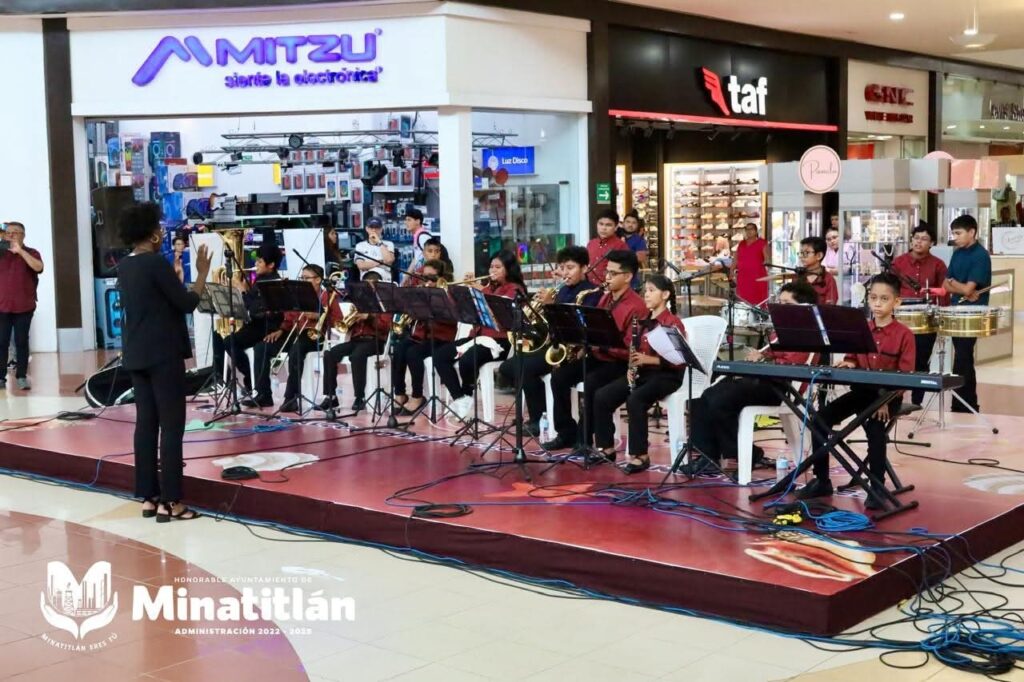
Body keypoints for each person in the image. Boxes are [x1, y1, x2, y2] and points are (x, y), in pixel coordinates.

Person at [115, 203, 212, 521]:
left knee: (146, 426)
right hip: (163, 355)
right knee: (172, 428)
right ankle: (173, 502)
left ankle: (148, 496)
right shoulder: (154, 263)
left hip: (137, 354)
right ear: (154, 234)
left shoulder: (125, 266)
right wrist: (200, 274)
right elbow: (186, 303)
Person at [797, 273, 915, 508]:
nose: (878, 303)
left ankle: (877, 486)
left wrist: (885, 401)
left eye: (884, 299)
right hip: (861, 392)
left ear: (897, 302)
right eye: (873, 298)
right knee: (820, 419)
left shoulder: (905, 335)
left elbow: (906, 377)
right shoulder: (860, 329)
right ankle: (821, 480)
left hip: (886, 396)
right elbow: (852, 358)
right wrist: (849, 362)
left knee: (875, 428)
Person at [687, 281, 818, 475]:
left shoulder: (807, 332)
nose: (780, 308)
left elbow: (792, 364)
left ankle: (742, 453)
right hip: (764, 381)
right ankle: (707, 456)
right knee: (703, 397)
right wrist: (759, 356)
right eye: (779, 303)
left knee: (721, 399)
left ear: (804, 308)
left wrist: (765, 361)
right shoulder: (780, 331)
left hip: (782, 388)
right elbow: (770, 353)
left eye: (787, 304)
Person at [542, 249, 647, 455]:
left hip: (619, 363)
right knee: (559, 377)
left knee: (592, 383)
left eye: (612, 274)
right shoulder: (605, 298)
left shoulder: (636, 306)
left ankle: (584, 439)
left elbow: (630, 349)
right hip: (599, 355)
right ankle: (566, 432)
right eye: (607, 272)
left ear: (627, 277)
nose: (607, 277)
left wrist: (600, 345)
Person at [497, 246, 602, 435]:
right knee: (509, 367)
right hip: (553, 345)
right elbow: (548, 326)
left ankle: (541, 419)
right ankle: (542, 413)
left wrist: (551, 306)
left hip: (574, 349)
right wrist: (537, 311)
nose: (565, 273)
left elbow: (582, 326)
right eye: (562, 268)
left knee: (527, 369)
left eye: (570, 268)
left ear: (585, 268)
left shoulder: (592, 293)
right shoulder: (560, 290)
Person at [592, 275, 687, 473]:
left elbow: (679, 361)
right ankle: (607, 447)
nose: (647, 294)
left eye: (652, 290)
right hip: (644, 373)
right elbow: (630, 349)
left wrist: (648, 360)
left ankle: (640, 455)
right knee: (602, 396)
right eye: (646, 290)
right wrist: (630, 367)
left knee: (636, 400)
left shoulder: (672, 322)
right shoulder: (642, 322)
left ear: (666, 294)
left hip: (667, 375)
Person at [432, 250, 526, 419]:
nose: (492, 270)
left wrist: (480, 291)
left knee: (468, 360)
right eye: (491, 266)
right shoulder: (488, 287)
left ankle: (467, 393)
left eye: (498, 267)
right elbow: (464, 310)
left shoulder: (515, 289)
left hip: (500, 341)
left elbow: (500, 310)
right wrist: (464, 292)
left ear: (509, 269)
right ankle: (460, 398)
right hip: (477, 337)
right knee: (440, 356)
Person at [212, 243, 283, 403]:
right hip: (256, 325)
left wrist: (243, 291)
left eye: (259, 262)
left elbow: (256, 309)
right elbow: (251, 305)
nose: (255, 265)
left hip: (266, 326)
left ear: (271, 265)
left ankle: (252, 383)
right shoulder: (261, 280)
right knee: (226, 340)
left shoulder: (272, 283)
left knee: (231, 342)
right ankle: (250, 379)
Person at [391, 259, 458, 415]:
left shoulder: (448, 294)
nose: (427, 281)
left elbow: (452, 318)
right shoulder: (421, 292)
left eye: (432, 278)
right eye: (424, 277)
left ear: (441, 278)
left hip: (441, 337)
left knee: (413, 353)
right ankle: (400, 393)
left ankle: (417, 396)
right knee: (400, 349)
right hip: (422, 335)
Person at [891, 223, 947, 406]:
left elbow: (944, 293)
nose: (919, 242)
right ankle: (894, 399)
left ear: (931, 243)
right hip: (901, 318)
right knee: (896, 359)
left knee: (921, 361)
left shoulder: (938, 265)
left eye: (924, 239)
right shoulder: (898, 262)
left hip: (925, 319)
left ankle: (917, 402)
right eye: (916, 238)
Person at [318, 271, 391, 412]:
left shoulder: (384, 304)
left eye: (369, 286)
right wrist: (351, 320)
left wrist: (369, 317)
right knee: (329, 354)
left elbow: (385, 327)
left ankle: (360, 397)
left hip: (375, 341)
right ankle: (331, 396)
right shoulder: (358, 302)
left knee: (357, 356)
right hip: (356, 339)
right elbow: (346, 328)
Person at [943, 214, 992, 413]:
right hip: (956, 310)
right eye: (953, 233)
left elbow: (968, 289)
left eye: (958, 233)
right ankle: (963, 402)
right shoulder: (957, 252)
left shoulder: (980, 255)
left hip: (972, 314)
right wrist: (958, 286)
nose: (955, 237)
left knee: (963, 357)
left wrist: (956, 285)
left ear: (972, 232)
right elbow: (946, 284)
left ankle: (967, 403)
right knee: (961, 357)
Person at [0, 221, 44, 391]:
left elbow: (39, 267)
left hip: (24, 307)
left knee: (21, 342)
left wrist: (20, 252)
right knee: (1, 343)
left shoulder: (32, 252)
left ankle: (21, 376)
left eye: (15, 232)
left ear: (23, 235)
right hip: (2, 307)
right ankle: (0, 377)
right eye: (8, 232)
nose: (11, 235)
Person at [586, 209, 627, 285]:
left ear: (616, 227)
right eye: (601, 224)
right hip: (589, 288)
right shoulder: (591, 244)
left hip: (608, 289)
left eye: (608, 225)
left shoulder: (621, 246)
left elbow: (624, 272)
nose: (603, 228)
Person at [733, 223, 768, 306]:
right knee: (743, 302)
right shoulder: (741, 244)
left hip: (757, 277)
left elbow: (767, 259)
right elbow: (736, 259)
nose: (749, 231)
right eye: (747, 229)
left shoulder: (762, 243)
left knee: (758, 302)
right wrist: (731, 271)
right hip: (743, 277)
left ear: (756, 231)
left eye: (751, 229)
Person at [797, 236, 838, 305]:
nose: (801, 256)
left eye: (806, 253)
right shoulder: (798, 277)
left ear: (819, 255)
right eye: (801, 253)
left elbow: (830, 307)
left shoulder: (829, 279)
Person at [354, 217, 396, 282]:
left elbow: (389, 260)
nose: (374, 230)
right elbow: (361, 265)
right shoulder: (360, 246)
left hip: (385, 280)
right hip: (366, 280)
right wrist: (381, 262)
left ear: (381, 229)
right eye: (371, 228)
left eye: (377, 228)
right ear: (367, 229)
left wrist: (379, 242)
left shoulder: (389, 244)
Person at [403, 208, 432, 282]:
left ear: (418, 221)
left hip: (426, 278)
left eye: (409, 220)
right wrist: (405, 278)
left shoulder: (423, 237)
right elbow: (416, 259)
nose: (406, 223)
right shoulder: (417, 236)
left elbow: (432, 258)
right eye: (405, 220)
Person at [621, 210, 648, 288]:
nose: (630, 225)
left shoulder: (639, 240)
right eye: (628, 222)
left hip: (632, 279)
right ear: (623, 224)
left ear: (637, 225)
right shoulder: (616, 237)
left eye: (633, 223)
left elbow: (641, 258)